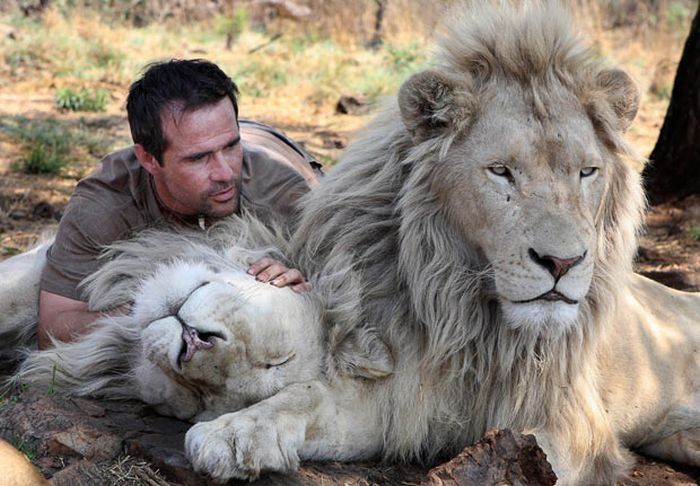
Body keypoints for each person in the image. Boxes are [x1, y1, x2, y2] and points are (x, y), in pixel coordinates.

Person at [37, 59, 323, 350]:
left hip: (276, 146)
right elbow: (52, 329)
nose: (225, 174)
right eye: (198, 158)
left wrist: (300, 288)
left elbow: (347, 294)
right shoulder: (105, 204)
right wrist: (163, 309)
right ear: (148, 159)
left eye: (231, 146)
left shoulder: (281, 191)